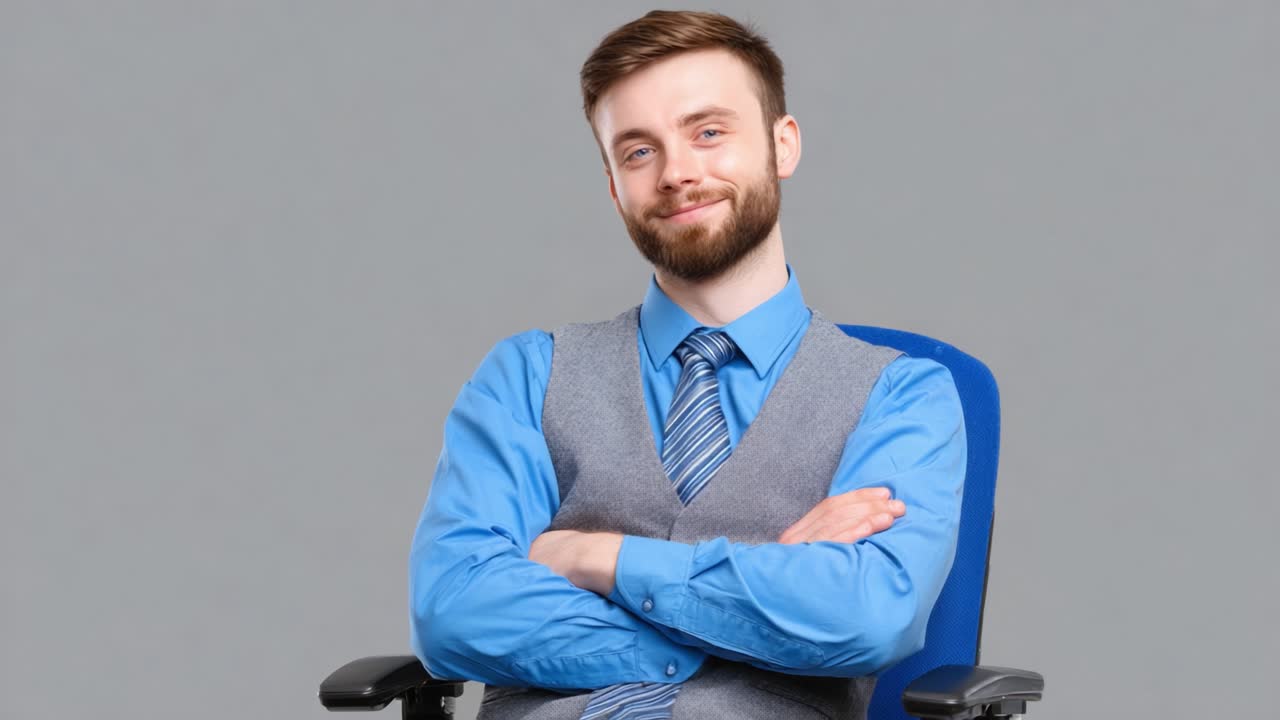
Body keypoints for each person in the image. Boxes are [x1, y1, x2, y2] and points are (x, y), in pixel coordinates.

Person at [409, 10, 966, 720]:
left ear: (781, 144)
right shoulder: (525, 376)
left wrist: (595, 558)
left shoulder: (902, 394)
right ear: (614, 185)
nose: (677, 173)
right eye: (638, 152)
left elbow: (867, 615)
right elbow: (452, 609)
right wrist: (750, 621)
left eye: (708, 133)